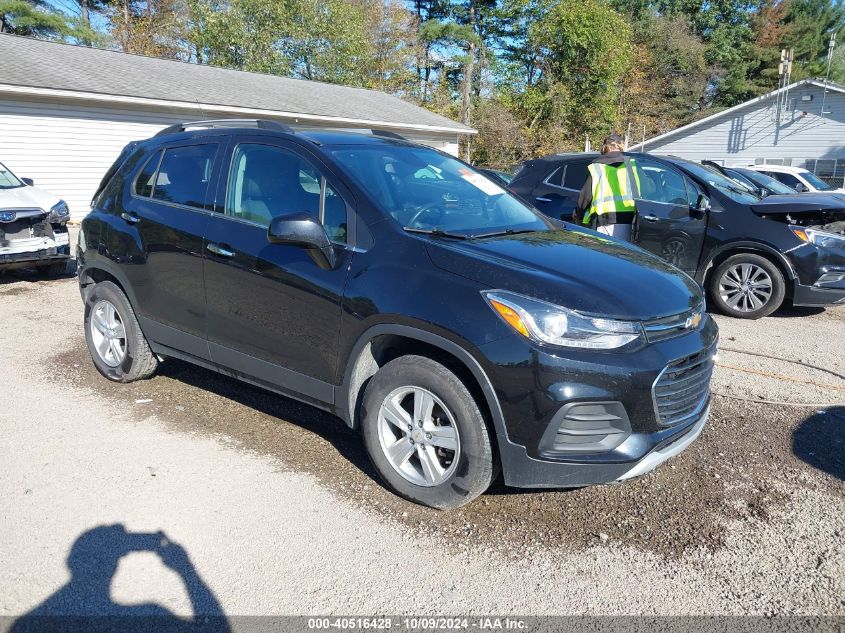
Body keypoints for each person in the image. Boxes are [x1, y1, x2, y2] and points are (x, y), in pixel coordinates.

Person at [573, 133, 639, 241]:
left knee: (608, 253)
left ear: (604, 147)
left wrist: (578, 212)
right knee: (623, 254)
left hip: (605, 219)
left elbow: (586, 196)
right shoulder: (632, 164)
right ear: (621, 146)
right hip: (630, 218)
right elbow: (650, 189)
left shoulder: (596, 166)